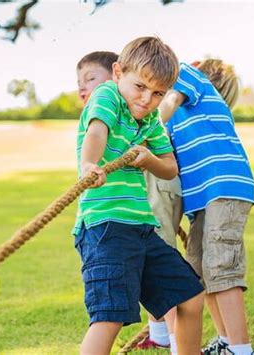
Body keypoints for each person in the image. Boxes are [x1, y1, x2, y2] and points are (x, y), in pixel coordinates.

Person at [73, 36, 204, 355]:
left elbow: (170, 168)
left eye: (158, 92)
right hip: (105, 227)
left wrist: (150, 160)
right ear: (117, 73)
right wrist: (90, 163)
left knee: (190, 296)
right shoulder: (107, 95)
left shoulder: (150, 121)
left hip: (141, 229)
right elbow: (97, 130)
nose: (147, 99)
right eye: (140, 87)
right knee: (109, 317)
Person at [159, 59, 254, 355]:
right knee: (199, 271)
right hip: (201, 199)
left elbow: (170, 99)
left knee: (221, 265)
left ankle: (241, 350)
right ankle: (226, 341)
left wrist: (144, 125)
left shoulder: (190, 75)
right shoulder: (183, 116)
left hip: (223, 188)